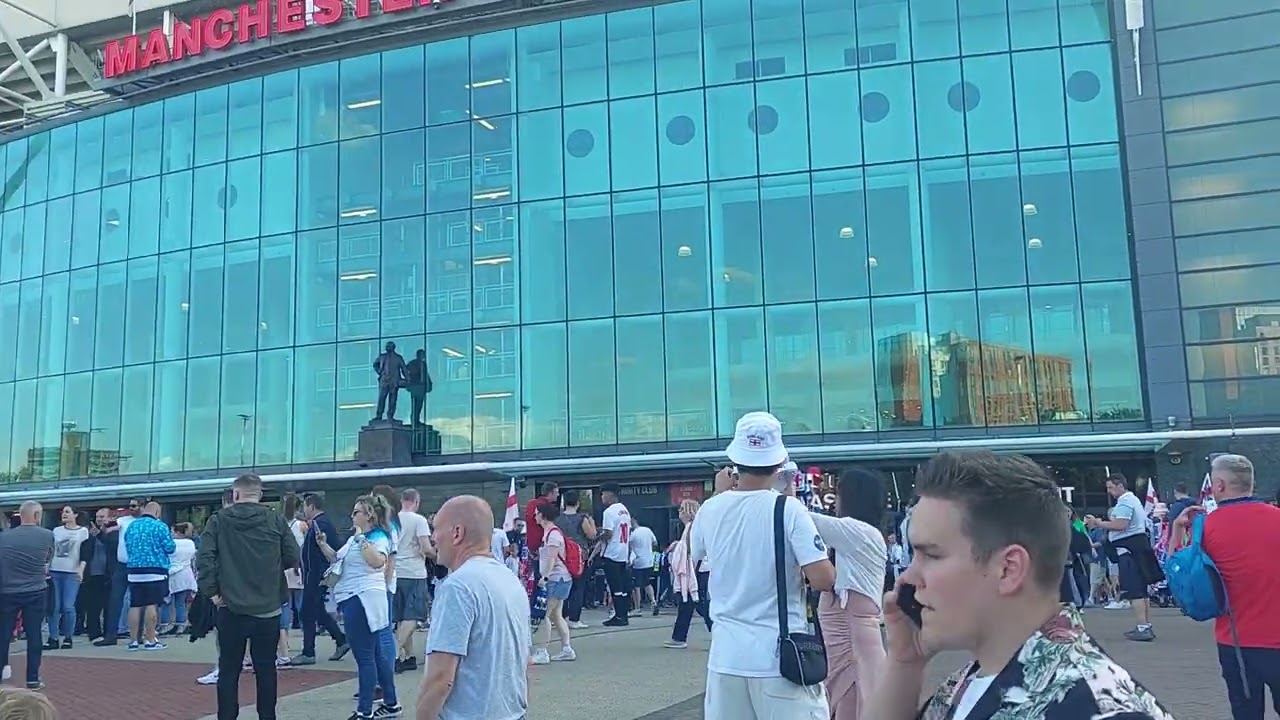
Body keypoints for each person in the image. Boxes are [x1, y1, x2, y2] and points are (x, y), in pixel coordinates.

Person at [866, 451, 1174, 720]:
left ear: (1008, 569)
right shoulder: (968, 683)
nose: (907, 578)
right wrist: (904, 663)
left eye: (931, 554)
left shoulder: (1099, 709)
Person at [691, 411, 836, 719]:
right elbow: (823, 578)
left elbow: (697, 554)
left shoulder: (710, 509)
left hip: (726, 658)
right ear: (778, 463)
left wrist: (720, 494)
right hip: (779, 658)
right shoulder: (788, 509)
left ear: (735, 463)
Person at [198, 474, 301, 720]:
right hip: (267, 605)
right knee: (266, 669)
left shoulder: (218, 520)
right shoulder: (275, 519)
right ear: (260, 495)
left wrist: (212, 592)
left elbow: (204, 559)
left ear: (235, 495)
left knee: (229, 669)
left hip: (230, 605)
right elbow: (292, 554)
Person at [417, 495, 529, 720]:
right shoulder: (510, 580)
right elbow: (524, 660)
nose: (433, 538)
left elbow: (440, 678)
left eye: (436, 529)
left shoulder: (457, 586)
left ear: (457, 533)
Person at [809, 469, 888, 720]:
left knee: (852, 704)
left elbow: (804, 520)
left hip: (855, 644)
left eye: (838, 493)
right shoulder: (854, 537)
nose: (835, 500)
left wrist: (782, 492)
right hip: (846, 644)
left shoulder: (858, 532)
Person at [314, 495, 401, 720]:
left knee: (365, 656)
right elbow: (336, 559)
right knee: (375, 655)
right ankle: (390, 704)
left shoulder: (376, 537)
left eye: (356, 512)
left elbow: (377, 562)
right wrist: (323, 544)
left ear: (368, 515)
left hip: (363, 599)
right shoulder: (357, 538)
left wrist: (361, 538)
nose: (352, 516)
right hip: (357, 598)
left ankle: (365, 710)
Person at [290, 493, 350, 665]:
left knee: (308, 612)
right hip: (314, 574)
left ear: (311, 506)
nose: (303, 510)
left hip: (315, 575)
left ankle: (309, 652)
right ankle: (340, 639)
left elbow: (331, 548)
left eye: (305, 507)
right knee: (316, 610)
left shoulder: (320, 524)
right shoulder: (320, 523)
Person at [0, 502, 53, 690]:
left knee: (4, 633)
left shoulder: (4, 537)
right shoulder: (47, 536)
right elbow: (48, 560)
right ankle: (32, 679)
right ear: (37, 515)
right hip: (35, 590)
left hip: (7, 590)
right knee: (34, 634)